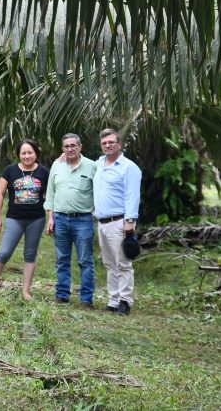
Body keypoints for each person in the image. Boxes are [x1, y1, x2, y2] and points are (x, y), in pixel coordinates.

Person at [0, 139, 49, 300]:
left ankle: (26, 291)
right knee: (4, 253)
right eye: (23, 153)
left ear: (36, 153)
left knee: (30, 254)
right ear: (19, 155)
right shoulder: (10, 170)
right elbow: (0, 194)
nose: (27, 156)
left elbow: (51, 195)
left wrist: (50, 218)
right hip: (14, 218)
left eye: (30, 152)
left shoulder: (44, 171)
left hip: (36, 219)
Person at [44, 133, 97, 308]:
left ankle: (86, 299)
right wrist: (50, 218)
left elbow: (99, 192)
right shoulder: (57, 165)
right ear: (62, 149)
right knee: (62, 259)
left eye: (73, 145)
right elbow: (50, 193)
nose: (70, 149)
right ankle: (62, 295)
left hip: (82, 220)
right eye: (66, 146)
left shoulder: (91, 166)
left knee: (85, 261)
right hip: (60, 218)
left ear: (80, 147)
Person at [93, 128, 142, 316]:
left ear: (119, 144)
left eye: (111, 142)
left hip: (120, 221)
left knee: (123, 263)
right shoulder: (99, 164)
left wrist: (130, 221)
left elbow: (132, 195)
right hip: (102, 222)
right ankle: (113, 300)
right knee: (109, 263)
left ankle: (125, 301)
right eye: (104, 143)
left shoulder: (129, 167)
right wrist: (62, 158)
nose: (107, 145)